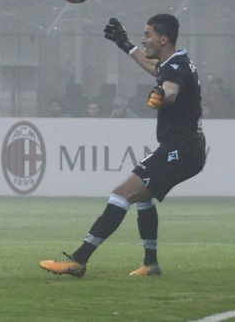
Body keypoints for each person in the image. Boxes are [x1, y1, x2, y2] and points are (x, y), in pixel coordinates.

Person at [40, 14, 206, 278]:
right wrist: (125, 45)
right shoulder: (174, 62)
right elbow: (154, 69)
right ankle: (150, 264)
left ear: (162, 39)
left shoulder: (175, 69)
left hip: (180, 151)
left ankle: (79, 260)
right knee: (142, 197)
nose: (144, 39)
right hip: (187, 149)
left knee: (121, 193)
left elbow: (171, 90)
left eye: (148, 35)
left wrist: (163, 95)